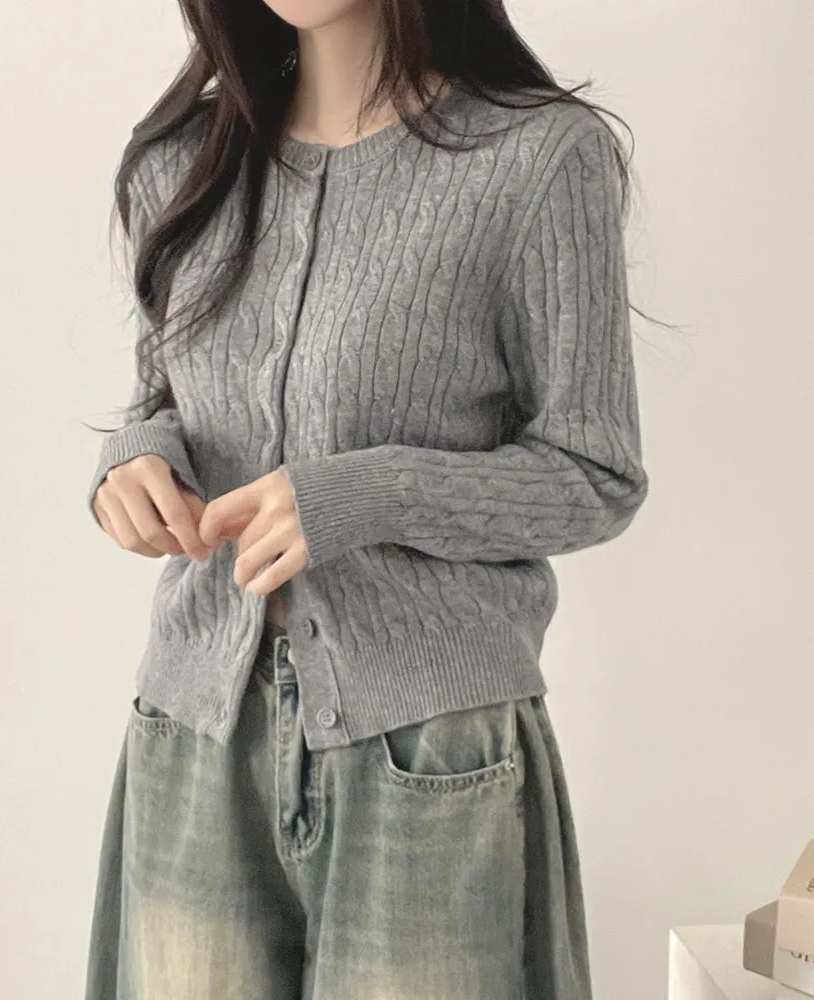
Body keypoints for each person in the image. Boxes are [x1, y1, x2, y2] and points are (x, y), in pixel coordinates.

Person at [83, 2, 650, 998]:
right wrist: (133, 461)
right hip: (193, 736)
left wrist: (366, 494)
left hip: (429, 756)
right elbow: (162, 398)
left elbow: (593, 476)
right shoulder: (183, 159)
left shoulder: (539, 158)